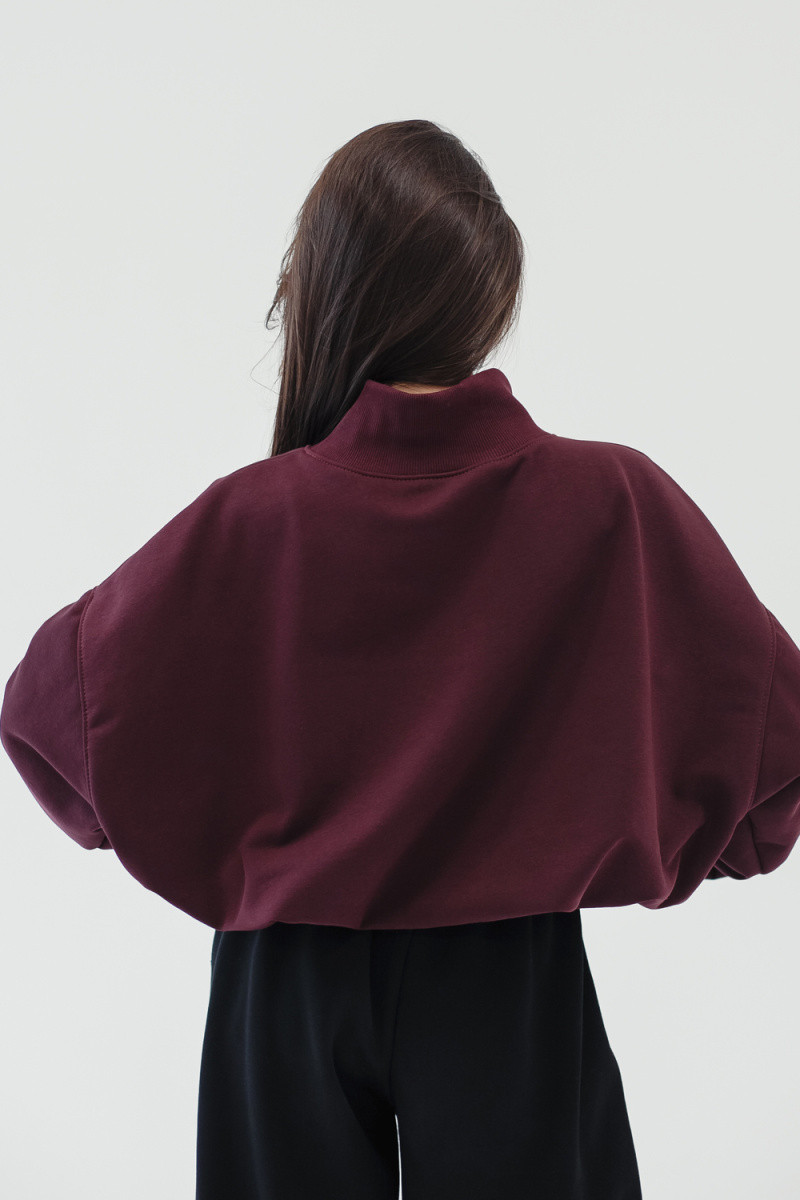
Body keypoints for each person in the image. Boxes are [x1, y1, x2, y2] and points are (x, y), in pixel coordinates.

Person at [3, 118, 800, 1200]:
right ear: (484, 300)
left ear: (324, 292)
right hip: (509, 975)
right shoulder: (609, 501)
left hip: (283, 974)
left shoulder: (251, 521)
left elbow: (49, 719)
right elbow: (772, 758)